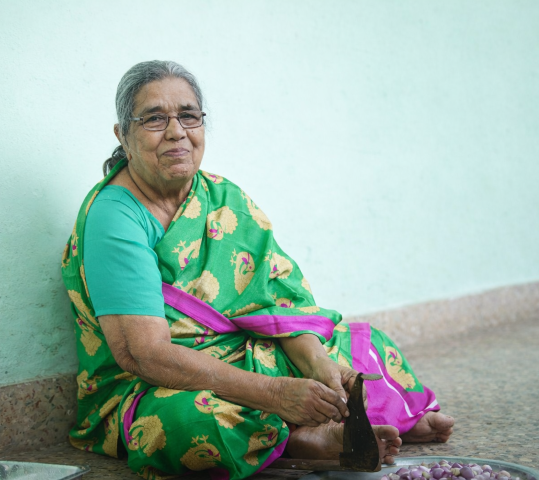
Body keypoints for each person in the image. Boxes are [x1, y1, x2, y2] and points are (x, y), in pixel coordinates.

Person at [61, 60, 454, 480]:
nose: (176, 132)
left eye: (189, 116)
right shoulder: (115, 217)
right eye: (154, 119)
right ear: (123, 135)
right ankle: (300, 438)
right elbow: (144, 353)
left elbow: (280, 305)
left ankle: (317, 426)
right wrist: (274, 393)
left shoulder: (224, 198)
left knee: (362, 346)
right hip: (160, 381)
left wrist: (317, 365)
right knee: (192, 424)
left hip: (245, 355)